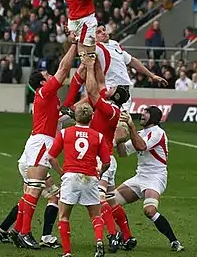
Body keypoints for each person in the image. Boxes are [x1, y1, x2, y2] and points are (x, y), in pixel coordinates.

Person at [9, 34, 78, 249]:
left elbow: (55, 120)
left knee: (32, 189)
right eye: (47, 74)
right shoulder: (46, 91)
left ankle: (19, 231)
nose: (50, 75)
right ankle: (24, 233)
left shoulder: (45, 96)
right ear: (41, 81)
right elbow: (64, 70)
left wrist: (73, 115)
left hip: (37, 141)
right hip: (41, 143)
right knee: (36, 189)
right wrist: (74, 45)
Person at [62, 23, 168, 140]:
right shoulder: (96, 47)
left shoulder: (115, 44)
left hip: (123, 92)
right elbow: (81, 46)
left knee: (118, 131)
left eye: (103, 30)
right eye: (98, 32)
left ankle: (99, 144)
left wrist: (151, 75)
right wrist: (75, 36)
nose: (103, 32)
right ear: (94, 37)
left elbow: (131, 60)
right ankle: (60, 117)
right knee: (116, 130)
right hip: (107, 90)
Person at [81, 55, 136, 251]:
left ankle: (113, 235)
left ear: (116, 95)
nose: (109, 87)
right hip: (105, 158)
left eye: (113, 88)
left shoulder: (109, 108)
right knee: (111, 200)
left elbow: (92, 91)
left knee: (100, 199)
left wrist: (87, 68)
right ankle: (128, 236)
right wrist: (95, 63)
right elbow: (101, 82)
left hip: (102, 159)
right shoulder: (110, 102)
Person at [114, 107, 184, 252]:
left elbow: (141, 145)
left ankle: (174, 242)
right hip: (140, 177)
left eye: (146, 112)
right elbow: (123, 153)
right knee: (111, 203)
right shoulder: (140, 133)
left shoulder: (158, 132)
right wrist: (120, 136)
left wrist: (131, 126)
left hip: (155, 177)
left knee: (150, 210)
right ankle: (126, 236)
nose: (142, 114)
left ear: (153, 117)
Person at [48, 103, 111, 257]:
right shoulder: (98, 136)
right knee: (95, 215)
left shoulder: (64, 133)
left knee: (63, 216)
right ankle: (98, 241)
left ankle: (67, 252)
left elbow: (51, 157)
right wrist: (100, 173)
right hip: (90, 177)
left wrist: (62, 173)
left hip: (70, 177)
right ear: (92, 117)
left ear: (75, 116)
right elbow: (107, 161)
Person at [0, 168, 60, 248]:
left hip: (28, 164)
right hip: (36, 166)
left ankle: (4, 229)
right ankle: (44, 237)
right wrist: (62, 173)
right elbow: (51, 157)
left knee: (27, 198)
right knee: (54, 196)